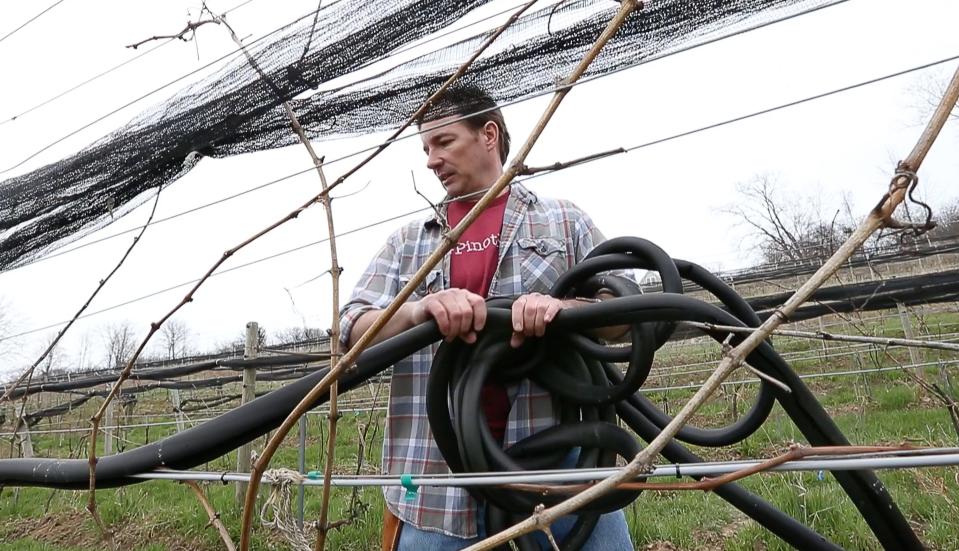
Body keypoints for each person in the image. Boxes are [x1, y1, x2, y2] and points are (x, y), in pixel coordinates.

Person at [339, 84, 632, 550]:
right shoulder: (409, 242)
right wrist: (417, 312)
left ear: (488, 134)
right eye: (425, 149)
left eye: (443, 142)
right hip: (437, 485)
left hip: (560, 473)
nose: (431, 160)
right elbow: (350, 329)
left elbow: (624, 312)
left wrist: (564, 311)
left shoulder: (562, 221)